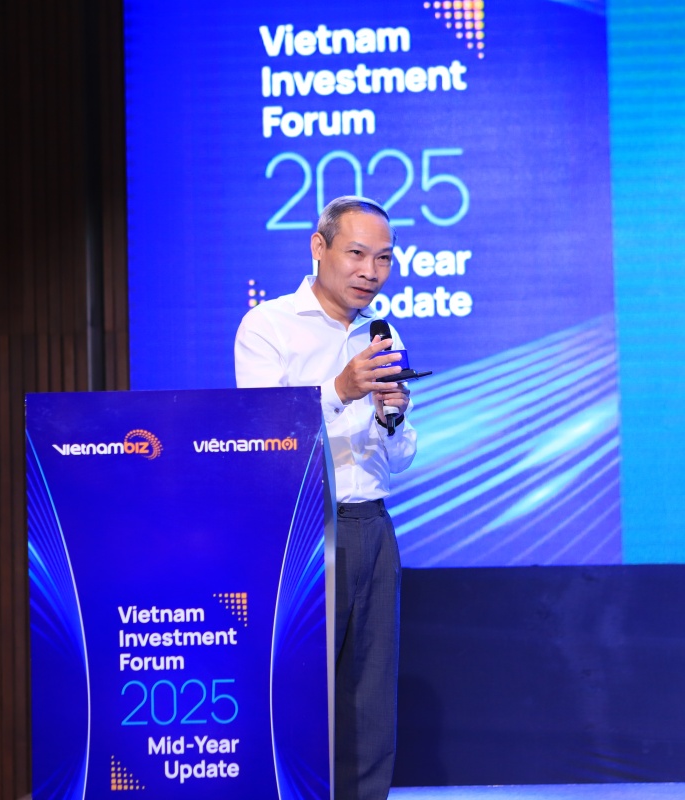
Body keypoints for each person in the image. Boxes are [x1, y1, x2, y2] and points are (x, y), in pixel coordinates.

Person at [234, 196, 417, 800]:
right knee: (299, 696)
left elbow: (398, 459)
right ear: (319, 247)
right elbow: (259, 438)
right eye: (357, 253)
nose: (371, 271)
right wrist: (339, 389)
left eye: (384, 259)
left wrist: (392, 418)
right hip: (302, 533)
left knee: (371, 703)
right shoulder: (268, 327)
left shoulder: (383, 334)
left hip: (373, 528)